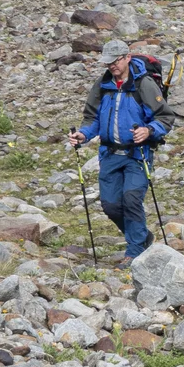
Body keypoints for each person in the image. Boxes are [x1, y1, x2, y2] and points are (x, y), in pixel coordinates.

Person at [67, 41, 171, 267]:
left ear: (127, 57)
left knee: (131, 199)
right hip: (109, 154)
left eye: (115, 61)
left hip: (137, 154)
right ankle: (142, 237)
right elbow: (92, 118)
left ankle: (134, 252)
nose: (111, 65)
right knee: (111, 205)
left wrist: (148, 130)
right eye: (108, 62)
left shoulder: (143, 84)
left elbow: (165, 118)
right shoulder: (103, 84)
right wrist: (83, 135)